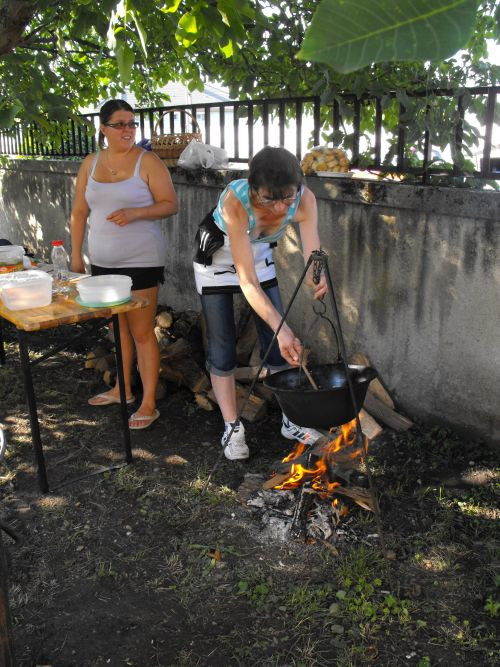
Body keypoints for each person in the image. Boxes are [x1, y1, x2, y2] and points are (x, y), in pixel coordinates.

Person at [193, 146, 328, 460]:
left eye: (288, 197)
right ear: (253, 189)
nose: (281, 207)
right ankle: (231, 426)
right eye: (270, 199)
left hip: (259, 258)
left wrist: (318, 275)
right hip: (217, 262)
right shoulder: (235, 201)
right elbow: (247, 282)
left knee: (276, 346)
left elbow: (313, 254)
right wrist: (283, 329)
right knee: (223, 345)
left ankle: (291, 421)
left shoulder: (304, 200)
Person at [70, 99, 178, 429]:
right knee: (118, 329)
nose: (128, 130)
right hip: (102, 260)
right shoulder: (90, 162)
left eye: (132, 124)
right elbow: (79, 212)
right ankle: (123, 389)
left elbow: (170, 204)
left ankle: (148, 403)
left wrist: (136, 213)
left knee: (143, 331)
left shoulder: (148, 161)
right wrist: (76, 256)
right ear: (104, 129)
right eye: (120, 124)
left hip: (141, 260)